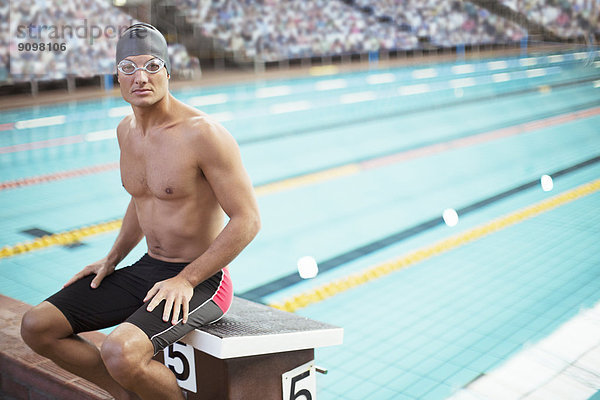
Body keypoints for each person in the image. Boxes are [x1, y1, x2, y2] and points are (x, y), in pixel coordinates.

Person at [20, 23, 261, 400]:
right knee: (37, 326)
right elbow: (141, 197)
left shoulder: (204, 134)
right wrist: (112, 257)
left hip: (202, 280)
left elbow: (248, 220)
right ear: (116, 75)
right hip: (147, 268)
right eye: (129, 68)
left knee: (121, 351)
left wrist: (186, 279)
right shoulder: (126, 131)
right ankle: (129, 396)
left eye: (151, 65)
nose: (141, 77)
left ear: (168, 71)